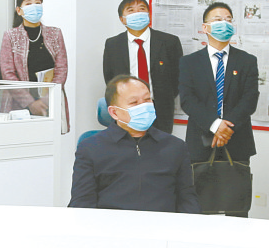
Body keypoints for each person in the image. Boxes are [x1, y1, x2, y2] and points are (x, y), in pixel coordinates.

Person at [70, 75, 198, 213]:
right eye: (134, 102)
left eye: (147, 100)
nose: (144, 106)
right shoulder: (91, 148)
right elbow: (82, 202)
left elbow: (187, 199)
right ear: (114, 112)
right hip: (111, 224)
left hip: (162, 223)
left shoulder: (175, 146)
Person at [179, 2, 258, 216]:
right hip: (201, 140)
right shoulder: (189, 62)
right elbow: (187, 100)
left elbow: (250, 100)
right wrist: (215, 125)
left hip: (237, 139)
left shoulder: (247, 61)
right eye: (218, 19)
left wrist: (226, 128)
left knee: (237, 208)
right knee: (202, 207)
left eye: (228, 19)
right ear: (205, 27)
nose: (224, 23)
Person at [103, 0, 182, 133]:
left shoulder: (169, 42)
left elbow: (178, 78)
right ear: (122, 19)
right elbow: (110, 78)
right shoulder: (113, 44)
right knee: (127, 145)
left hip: (160, 108)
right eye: (131, 10)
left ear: (149, 14)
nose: (137, 13)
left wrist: (161, 98)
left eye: (142, 9)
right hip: (127, 108)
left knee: (160, 144)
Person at [0, 0, 69, 127]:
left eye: (37, 3)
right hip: (19, 104)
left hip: (49, 102)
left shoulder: (55, 33)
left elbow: (61, 69)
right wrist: (30, 103)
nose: (34, 7)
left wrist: (46, 100)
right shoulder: (10, 36)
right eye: (28, 3)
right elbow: (7, 73)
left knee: (50, 137)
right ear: (19, 10)